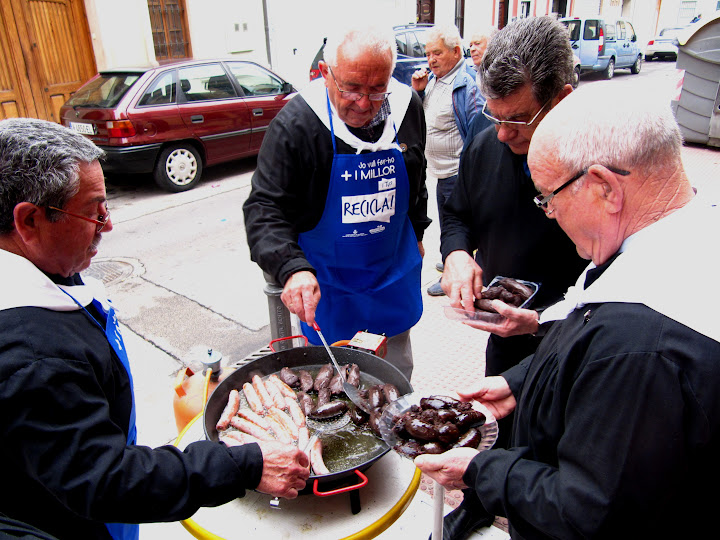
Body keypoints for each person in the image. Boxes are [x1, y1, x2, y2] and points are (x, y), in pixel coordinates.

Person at [416, 84, 720, 539]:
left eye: (548, 197)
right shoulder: (678, 236)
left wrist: (482, 470)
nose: (549, 214)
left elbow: (589, 512)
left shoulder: (639, 347)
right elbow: (585, 333)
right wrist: (522, 384)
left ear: (603, 188)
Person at [0, 118, 310, 540]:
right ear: (29, 222)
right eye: (93, 211)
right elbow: (104, 477)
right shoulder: (30, 355)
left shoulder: (46, 269)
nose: (107, 225)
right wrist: (244, 465)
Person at [433, 17, 589, 539]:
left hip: (578, 340)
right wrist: (456, 254)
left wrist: (543, 322)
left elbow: (616, 281)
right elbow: (457, 212)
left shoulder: (603, 161)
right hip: (503, 330)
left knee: (556, 447)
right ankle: (480, 502)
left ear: (563, 98)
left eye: (518, 121)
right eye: (491, 116)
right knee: (497, 426)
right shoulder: (488, 143)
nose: (502, 135)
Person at [243, 25, 429, 380]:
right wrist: (291, 268)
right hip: (329, 286)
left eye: (377, 89)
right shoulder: (297, 125)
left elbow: (417, 177)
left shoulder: (408, 108)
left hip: (392, 275)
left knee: (396, 378)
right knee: (332, 386)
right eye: (352, 88)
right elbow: (263, 210)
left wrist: (418, 231)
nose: (364, 103)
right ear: (326, 74)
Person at [410, 24, 487, 297]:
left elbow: (480, 134)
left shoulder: (467, 84)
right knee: (448, 227)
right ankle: (453, 269)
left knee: (460, 228)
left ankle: (463, 278)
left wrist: (472, 174)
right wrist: (417, 92)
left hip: (458, 173)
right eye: (428, 53)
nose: (431, 59)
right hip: (441, 173)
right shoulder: (433, 81)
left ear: (456, 52)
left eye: (437, 53)